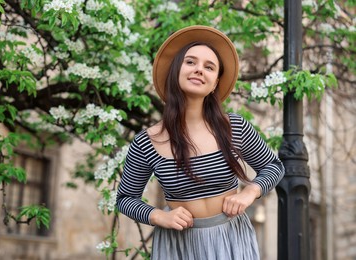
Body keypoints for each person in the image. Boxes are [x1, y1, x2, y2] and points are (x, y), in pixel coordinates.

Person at [116, 25, 285, 259]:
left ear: (215, 82)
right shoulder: (146, 142)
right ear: (176, 71)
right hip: (179, 246)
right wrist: (159, 216)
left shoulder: (234, 127)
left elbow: (274, 166)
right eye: (190, 62)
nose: (199, 70)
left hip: (231, 239)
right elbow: (126, 199)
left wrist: (250, 192)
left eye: (209, 67)